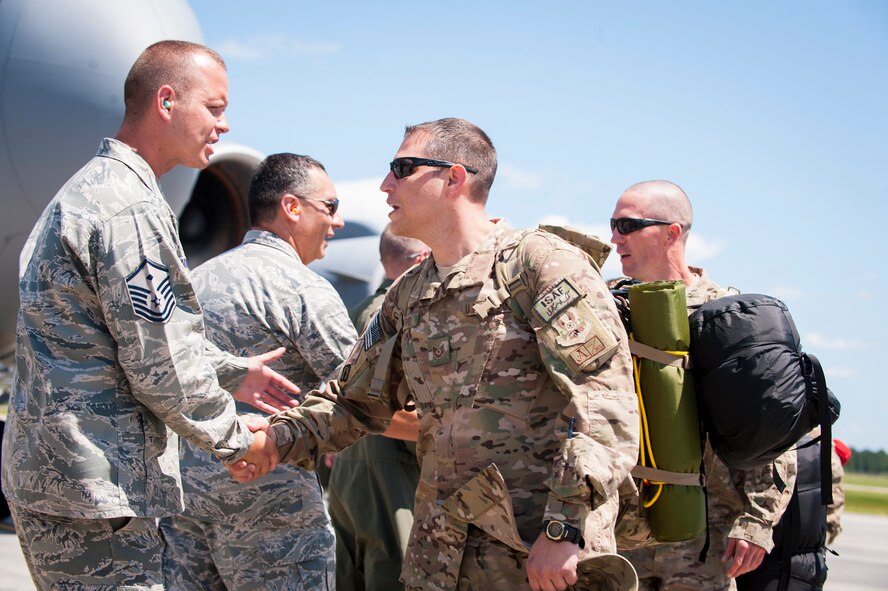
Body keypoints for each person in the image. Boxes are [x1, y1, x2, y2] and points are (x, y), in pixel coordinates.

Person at [243, 117, 641, 591]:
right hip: (440, 557)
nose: (385, 184)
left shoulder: (539, 264)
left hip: (538, 556)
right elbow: (352, 401)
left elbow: (603, 402)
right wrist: (275, 439)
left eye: (402, 168)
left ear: (454, 178)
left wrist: (564, 526)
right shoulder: (408, 293)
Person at [0, 40, 289, 590]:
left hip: (57, 476)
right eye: (214, 107)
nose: (224, 125)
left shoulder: (90, 190)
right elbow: (161, 364)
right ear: (166, 101)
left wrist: (234, 372)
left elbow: (113, 332)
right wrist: (238, 439)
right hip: (97, 488)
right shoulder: (129, 209)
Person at [159, 153, 359, 590]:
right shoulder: (302, 289)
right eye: (330, 206)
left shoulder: (195, 281)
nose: (337, 221)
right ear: (292, 207)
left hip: (186, 499)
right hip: (272, 506)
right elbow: (364, 396)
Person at [609, 180, 797, 591]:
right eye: (613, 225)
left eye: (627, 225)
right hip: (619, 535)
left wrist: (757, 521)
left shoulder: (728, 317)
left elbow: (770, 429)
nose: (614, 238)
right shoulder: (606, 307)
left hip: (704, 538)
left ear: (671, 233)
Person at [327, 224, 427, 591]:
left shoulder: (354, 312)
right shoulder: (408, 315)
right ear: (422, 259)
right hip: (393, 475)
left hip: (346, 471)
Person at [736, 428, 846, 591]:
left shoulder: (768, 432)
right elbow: (832, 510)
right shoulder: (820, 442)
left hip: (764, 559)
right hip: (801, 565)